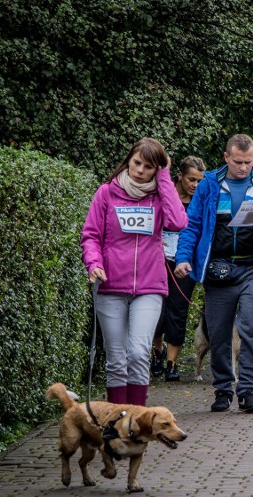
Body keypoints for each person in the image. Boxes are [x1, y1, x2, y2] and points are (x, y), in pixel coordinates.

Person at [174, 134, 253, 414]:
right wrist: (182, 258)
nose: (243, 167)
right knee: (218, 333)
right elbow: (191, 226)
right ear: (226, 157)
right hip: (218, 269)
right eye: (238, 162)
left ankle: (248, 391)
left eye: (249, 162)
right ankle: (223, 390)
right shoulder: (208, 186)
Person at [81, 137, 187, 405]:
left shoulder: (160, 196)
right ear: (129, 159)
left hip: (149, 287)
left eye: (149, 167)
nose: (140, 170)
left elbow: (178, 221)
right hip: (111, 287)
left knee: (139, 352)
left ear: (157, 169)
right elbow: (91, 235)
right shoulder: (106, 192)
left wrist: (164, 178)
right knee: (116, 358)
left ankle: (136, 422)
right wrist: (94, 264)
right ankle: (117, 422)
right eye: (137, 162)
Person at [150, 155, 206, 382]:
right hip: (158, 259)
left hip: (185, 262)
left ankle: (172, 364)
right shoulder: (163, 194)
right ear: (180, 176)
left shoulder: (199, 201)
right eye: (191, 179)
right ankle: (157, 352)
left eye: (199, 181)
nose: (195, 185)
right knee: (157, 311)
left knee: (178, 310)